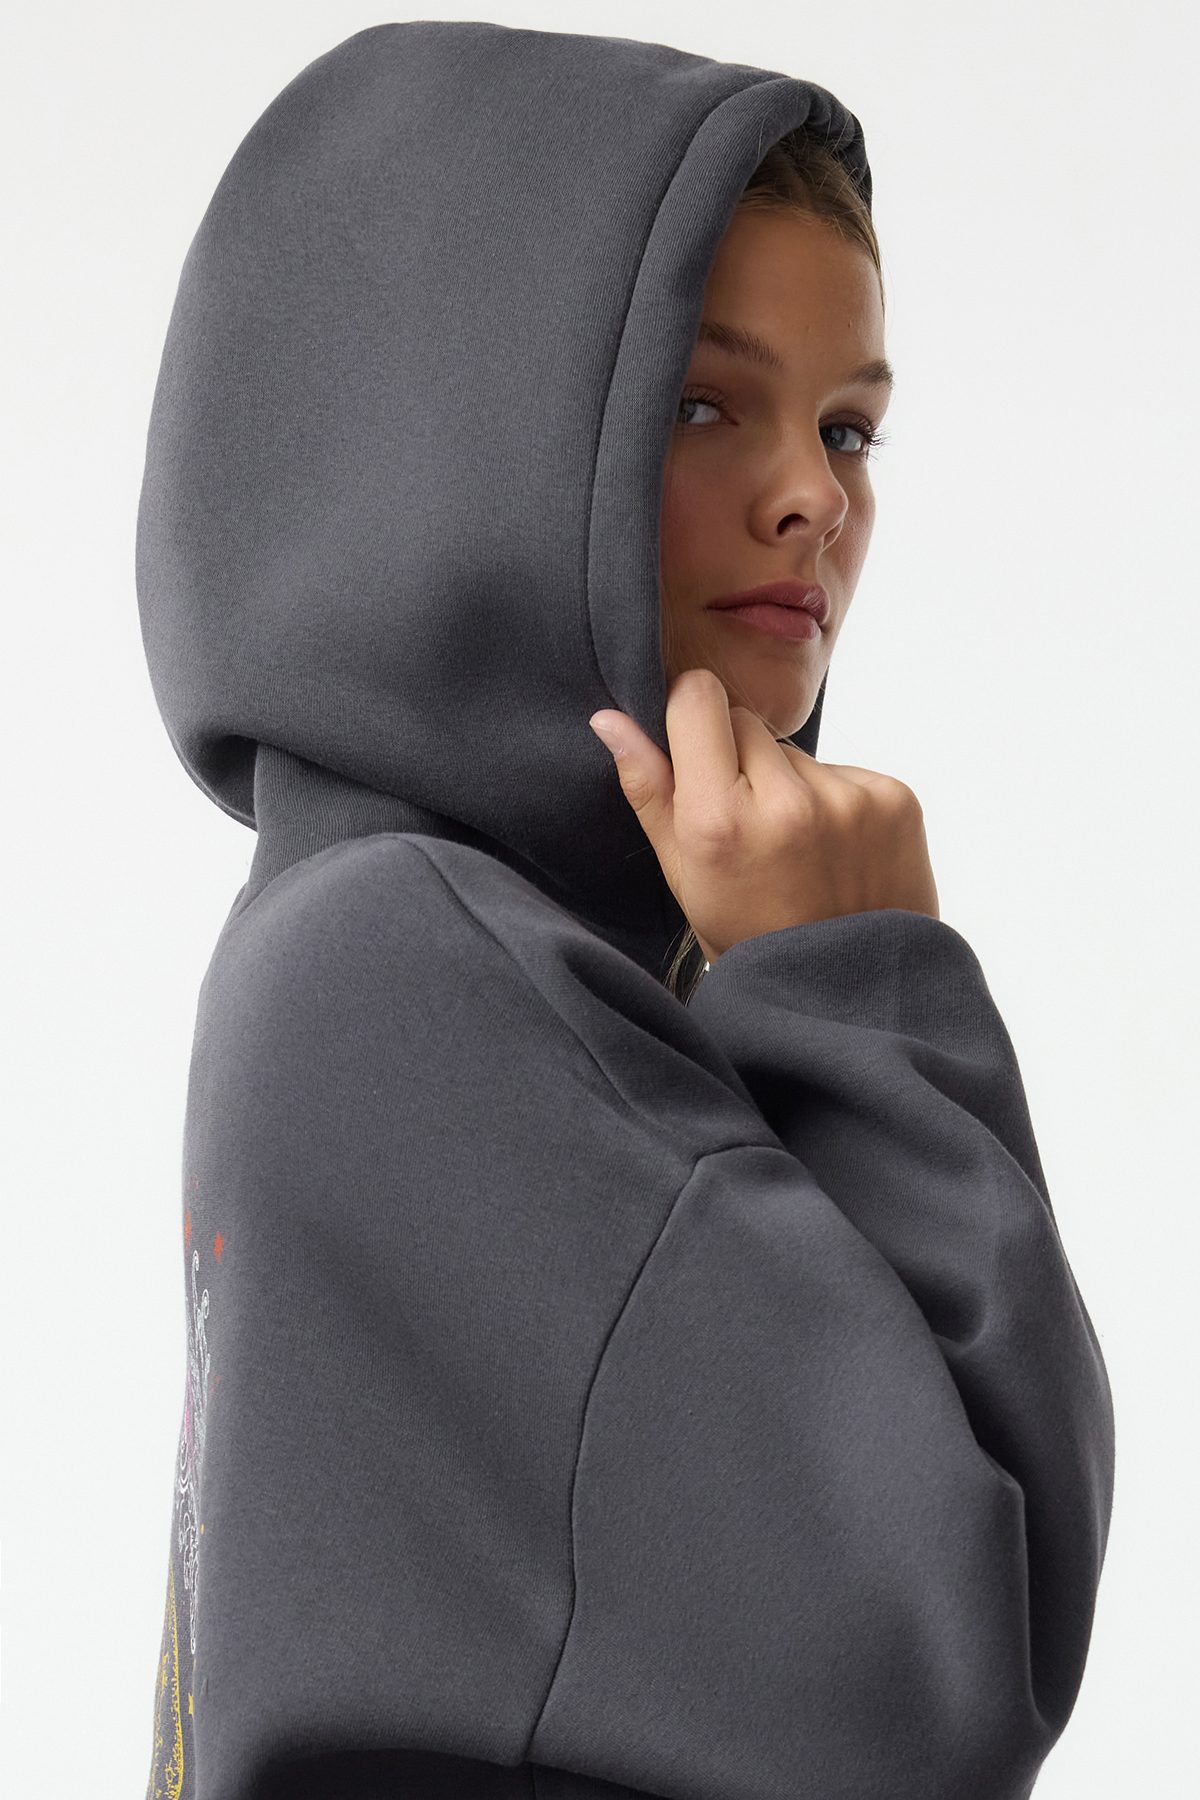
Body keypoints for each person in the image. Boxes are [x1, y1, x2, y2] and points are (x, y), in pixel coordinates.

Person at [139, 22, 1114, 1800]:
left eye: (849, 427)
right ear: (463, 433)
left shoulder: (400, 941)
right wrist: (859, 986)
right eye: (700, 404)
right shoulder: (409, 961)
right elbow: (949, 1661)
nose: (816, 496)